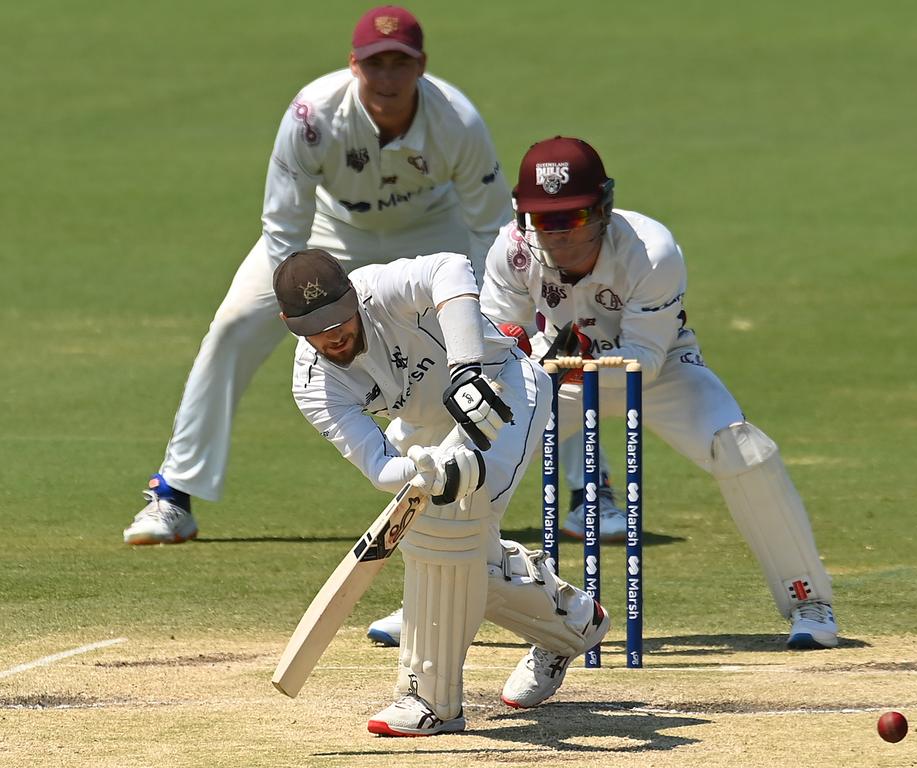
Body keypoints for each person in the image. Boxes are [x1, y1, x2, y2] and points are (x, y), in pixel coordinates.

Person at [123, 5, 511, 545]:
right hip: (329, 233)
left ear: (422, 66)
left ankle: (588, 489)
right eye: (377, 64)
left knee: (510, 338)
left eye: (401, 63)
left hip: (428, 230)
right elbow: (283, 226)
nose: (388, 78)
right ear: (354, 64)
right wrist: (302, 310)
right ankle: (174, 495)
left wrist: (498, 308)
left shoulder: (457, 120)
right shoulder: (312, 116)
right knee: (233, 325)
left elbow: (493, 227)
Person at [480, 136, 840, 649]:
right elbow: (501, 344)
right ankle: (448, 595)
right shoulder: (511, 252)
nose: (557, 236)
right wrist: (538, 359)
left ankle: (809, 600)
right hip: (555, 376)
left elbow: (643, 361)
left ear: (603, 209)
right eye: (544, 220)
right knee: (471, 456)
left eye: (573, 218)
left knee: (744, 451)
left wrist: (567, 354)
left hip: (659, 371)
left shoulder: (651, 250)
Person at [272, 248, 609, 734]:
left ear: (352, 295)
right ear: (289, 323)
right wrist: (419, 470)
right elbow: (378, 467)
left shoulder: (379, 288)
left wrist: (466, 368)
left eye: (339, 318)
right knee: (446, 545)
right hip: (424, 432)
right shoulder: (313, 384)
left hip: (504, 388)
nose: (334, 334)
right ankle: (571, 622)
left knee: (448, 531)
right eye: (316, 329)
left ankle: (431, 702)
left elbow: (451, 267)